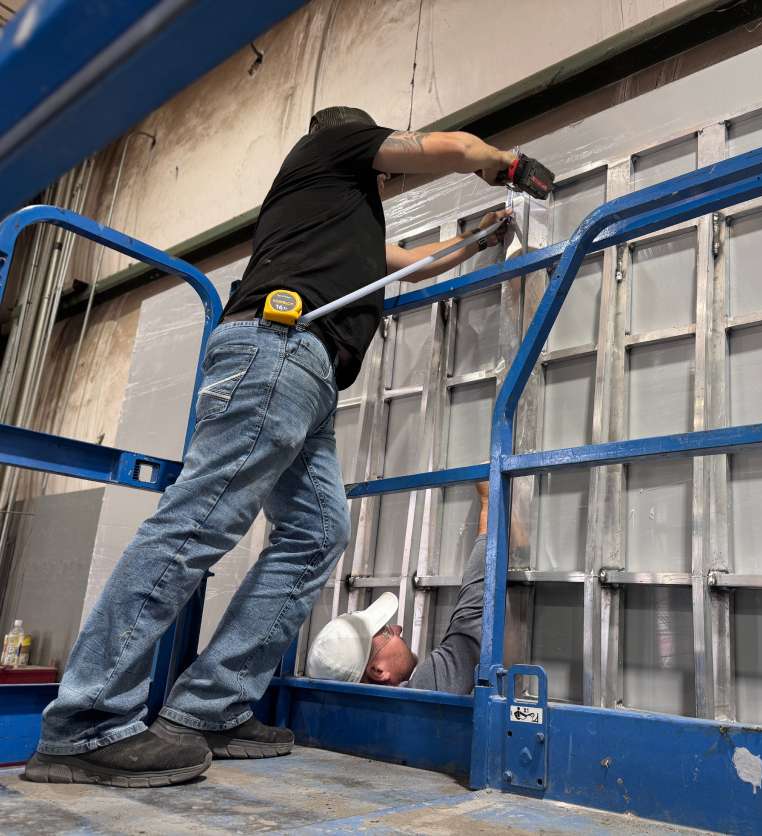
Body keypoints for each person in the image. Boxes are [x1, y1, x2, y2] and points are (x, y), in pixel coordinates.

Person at [25, 106, 525, 788]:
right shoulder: (332, 146)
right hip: (277, 354)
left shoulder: (334, 218)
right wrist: (500, 164)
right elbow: (452, 146)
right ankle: (85, 721)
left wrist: (479, 240)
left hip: (304, 379)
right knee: (196, 524)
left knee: (319, 530)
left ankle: (207, 710)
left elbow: (410, 266)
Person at [306, 482, 493, 693]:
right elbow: (470, 624)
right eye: (386, 632)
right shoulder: (418, 695)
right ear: (377, 671)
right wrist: (488, 502)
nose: (397, 628)